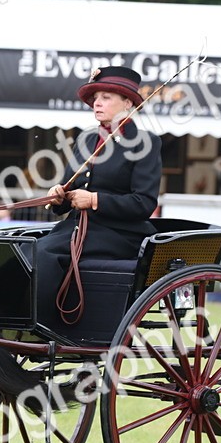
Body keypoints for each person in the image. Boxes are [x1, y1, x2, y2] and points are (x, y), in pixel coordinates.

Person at [38, 66, 161, 332]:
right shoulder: (86, 140)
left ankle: (45, 327)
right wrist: (58, 195)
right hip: (76, 228)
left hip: (121, 234)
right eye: (95, 98)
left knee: (44, 253)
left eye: (106, 97)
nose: (97, 103)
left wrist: (95, 200)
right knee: (24, 249)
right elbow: (70, 191)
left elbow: (144, 203)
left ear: (127, 103)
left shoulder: (145, 143)